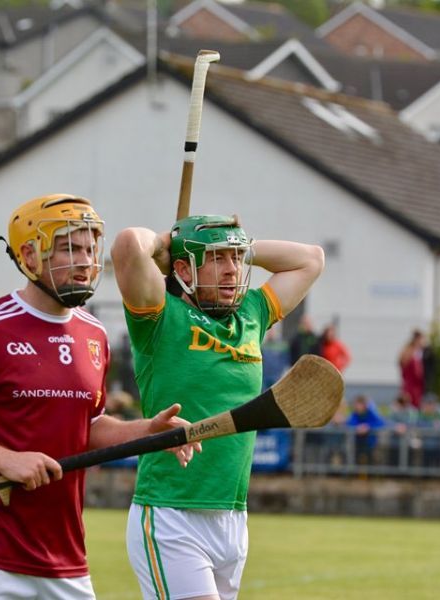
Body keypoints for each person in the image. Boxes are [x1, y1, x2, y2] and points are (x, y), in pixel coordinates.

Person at [0, 194, 197, 600]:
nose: (85, 260)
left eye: (90, 249)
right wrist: (5, 458)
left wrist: (146, 431)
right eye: (70, 248)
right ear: (29, 256)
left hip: (66, 562)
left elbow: (88, 427)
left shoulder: (94, 334)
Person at [110, 212, 324, 600]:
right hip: (172, 514)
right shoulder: (160, 316)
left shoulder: (252, 313)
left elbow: (311, 259)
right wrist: (166, 244)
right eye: (216, 258)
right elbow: (128, 246)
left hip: (233, 516)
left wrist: (244, 248)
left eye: (235, 259)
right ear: (183, 269)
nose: (232, 270)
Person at [346, 394, 385, 466]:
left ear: (364, 405)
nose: (355, 406)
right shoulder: (354, 414)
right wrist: (357, 428)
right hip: (357, 443)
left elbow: (380, 422)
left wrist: (368, 427)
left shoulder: (371, 413)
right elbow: (349, 423)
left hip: (370, 444)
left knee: (371, 461)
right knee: (356, 461)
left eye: (357, 404)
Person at [398, 329, 426, 408]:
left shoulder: (416, 351)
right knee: (411, 404)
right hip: (412, 384)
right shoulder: (411, 351)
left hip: (413, 384)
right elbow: (416, 371)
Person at [260, 323, 290, 391]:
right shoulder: (263, 346)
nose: (271, 333)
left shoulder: (282, 346)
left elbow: (285, 361)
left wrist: (282, 373)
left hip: (277, 376)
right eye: (269, 331)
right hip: (265, 377)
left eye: (272, 331)